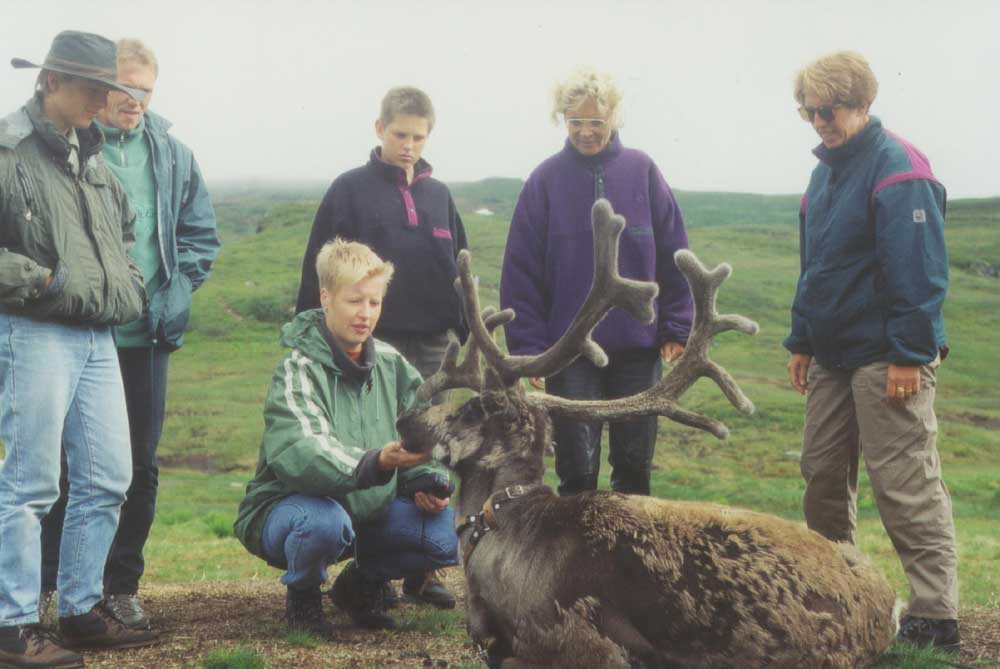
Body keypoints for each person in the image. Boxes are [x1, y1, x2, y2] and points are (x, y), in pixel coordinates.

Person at [38, 37, 221, 632]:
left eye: (146, 90)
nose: (135, 100)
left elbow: (199, 237)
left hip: (145, 339)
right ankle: (50, 588)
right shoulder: (72, 147)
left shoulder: (172, 154)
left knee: (139, 466)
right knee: (66, 468)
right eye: (123, 87)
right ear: (97, 86)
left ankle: (119, 588)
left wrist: (179, 290)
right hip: (77, 334)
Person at [784, 51, 959, 653]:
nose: (817, 122)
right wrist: (801, 339)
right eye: (808, 112)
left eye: (827, 111)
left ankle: (936, 615)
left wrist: (911, 355)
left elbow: (920, 274)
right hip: (831, 355)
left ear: (860, 102)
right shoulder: (822, 174)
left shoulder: (898, 168)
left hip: (888, 355)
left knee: (905, 482)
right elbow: (817, 269)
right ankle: (839, 595)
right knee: (822, 479)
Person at [0, 30, 159, 667]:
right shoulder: (8, 152)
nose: (103, 99)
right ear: (49, 82)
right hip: (34, 328)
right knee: (32, 482)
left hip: (97, 335)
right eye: (92, 88)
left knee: (107, 478)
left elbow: (124, 235)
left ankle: (79, 609)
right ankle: (10, 626)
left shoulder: (92, 158)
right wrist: (48, 282)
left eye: (109, 88)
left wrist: (128, 285)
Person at [294, 86, 465, 609]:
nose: (409, 145)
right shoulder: (349, 190)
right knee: (380, 441)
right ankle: (377, 572)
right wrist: (310, 334)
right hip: (375, 337)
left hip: (435, 340)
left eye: (418, 136)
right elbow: (318, 270)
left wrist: (470, 335)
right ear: (379, 130)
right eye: (400, 134)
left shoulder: (440, 196)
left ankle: (424, 571)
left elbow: (461, 272)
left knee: (430, 442)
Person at [235, 239, 459, 637]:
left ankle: (360, 584)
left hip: (366, 509)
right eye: (355, 301)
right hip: (290, 509)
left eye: (374, 303)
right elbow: (301, 450)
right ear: (326, 297)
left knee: (442, 535)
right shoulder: (297, 369)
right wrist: (376, 462)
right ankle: (303, 599)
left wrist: (426, 479)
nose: (366, 314)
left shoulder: (393, 365)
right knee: (322, 522)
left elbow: (419, 434)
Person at [499, 66, 693, 497]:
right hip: (570, 355)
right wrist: (530, 348)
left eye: (596, 123)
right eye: (576, 123)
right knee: (577, 472)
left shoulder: (643, 171)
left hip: (639, 351)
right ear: (562, 120)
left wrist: (677, 325)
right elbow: (521, 270)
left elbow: (675, 254)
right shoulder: (544, 181)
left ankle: (629, 561)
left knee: (634, 468)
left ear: (614, 119)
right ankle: (578, 563)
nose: (586, 132)